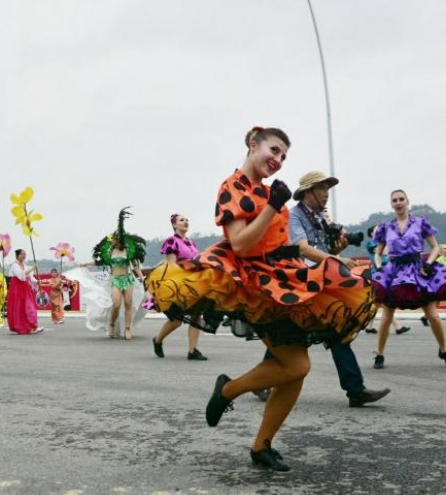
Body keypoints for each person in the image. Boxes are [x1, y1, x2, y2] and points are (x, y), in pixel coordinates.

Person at [145, 127, 376, 471]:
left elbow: (280, 245)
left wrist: (328, 259)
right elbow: (240, 244)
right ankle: (228, 391)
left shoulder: (269, 192)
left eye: (284, 156)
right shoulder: (232, 187)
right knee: (297, 367)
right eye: (274, 149)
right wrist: (273, 205)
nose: (278, 159)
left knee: (294, 372)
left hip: (284, 279)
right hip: (256, 285)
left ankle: (261, 445)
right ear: (253, 145)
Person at [285, 171, 390, 407]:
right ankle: (258, 383)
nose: (326, 194)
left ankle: (355, 390)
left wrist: (337, 250)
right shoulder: (294, 216)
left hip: (320, 285)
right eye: (322, 189)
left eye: (327, 189)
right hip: (302, 286)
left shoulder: (319, 217)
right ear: (308, 192)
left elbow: (325, 250)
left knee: (335, 332)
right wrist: (336, 260)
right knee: (290, 337)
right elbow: (302, 249)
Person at [371, 189, 446, 370]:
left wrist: (428, 264)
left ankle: (444, 350)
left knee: (433, 315)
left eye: (401, 199)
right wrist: (379, 266)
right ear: (391, 204)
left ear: (407, 201)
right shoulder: (386, 227)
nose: (398, 203)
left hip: (418, 271)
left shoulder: (420, 223)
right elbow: (378, 252)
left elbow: (435, 246)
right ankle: (379, 354)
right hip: (394, 272)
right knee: (387, 315)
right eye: (395, 200)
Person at [81, 208, 147, 340]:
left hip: (128, 279)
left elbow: (135, 266)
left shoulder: (129, 251)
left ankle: (127, 329)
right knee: (116, 305)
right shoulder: (109, 252)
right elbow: (100, 262)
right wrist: (85, 264)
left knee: (128, 303)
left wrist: (141, 277)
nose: (113, 241)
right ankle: (111, 324)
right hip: (115, 280)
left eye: (115, 239)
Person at [151, 213, 208, 360]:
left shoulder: (192, 243)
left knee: (196, 315)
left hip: (193, 283)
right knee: (176, 320)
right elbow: (172, 265)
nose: (185, 222)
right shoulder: (172, 241)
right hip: (177, 284)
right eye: (182, 220)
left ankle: (192, 351)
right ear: (174, 225)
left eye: (187, 220)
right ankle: (158, 340)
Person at [363, 224, 410, 336]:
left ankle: (369, 327)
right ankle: (398, 327)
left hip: (386, 275)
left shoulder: (385, 243)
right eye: (377, 230)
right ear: (371, 234)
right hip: (378, 275)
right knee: (386, 301)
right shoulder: (371, 244)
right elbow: (385, 255)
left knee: (378, 302)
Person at [6, 249, 43, 335]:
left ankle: (32, 326)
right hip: (16, 288)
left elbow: (30, 277)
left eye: (25, 254)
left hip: (25, 288)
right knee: (18, 308)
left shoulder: (25, 266)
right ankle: (19, 327)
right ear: (17, 255)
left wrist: (36, 281)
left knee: (30, 307)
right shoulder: (14, 265)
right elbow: (21, 276)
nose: (24, 255)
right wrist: (32, 268)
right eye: (22, 254)